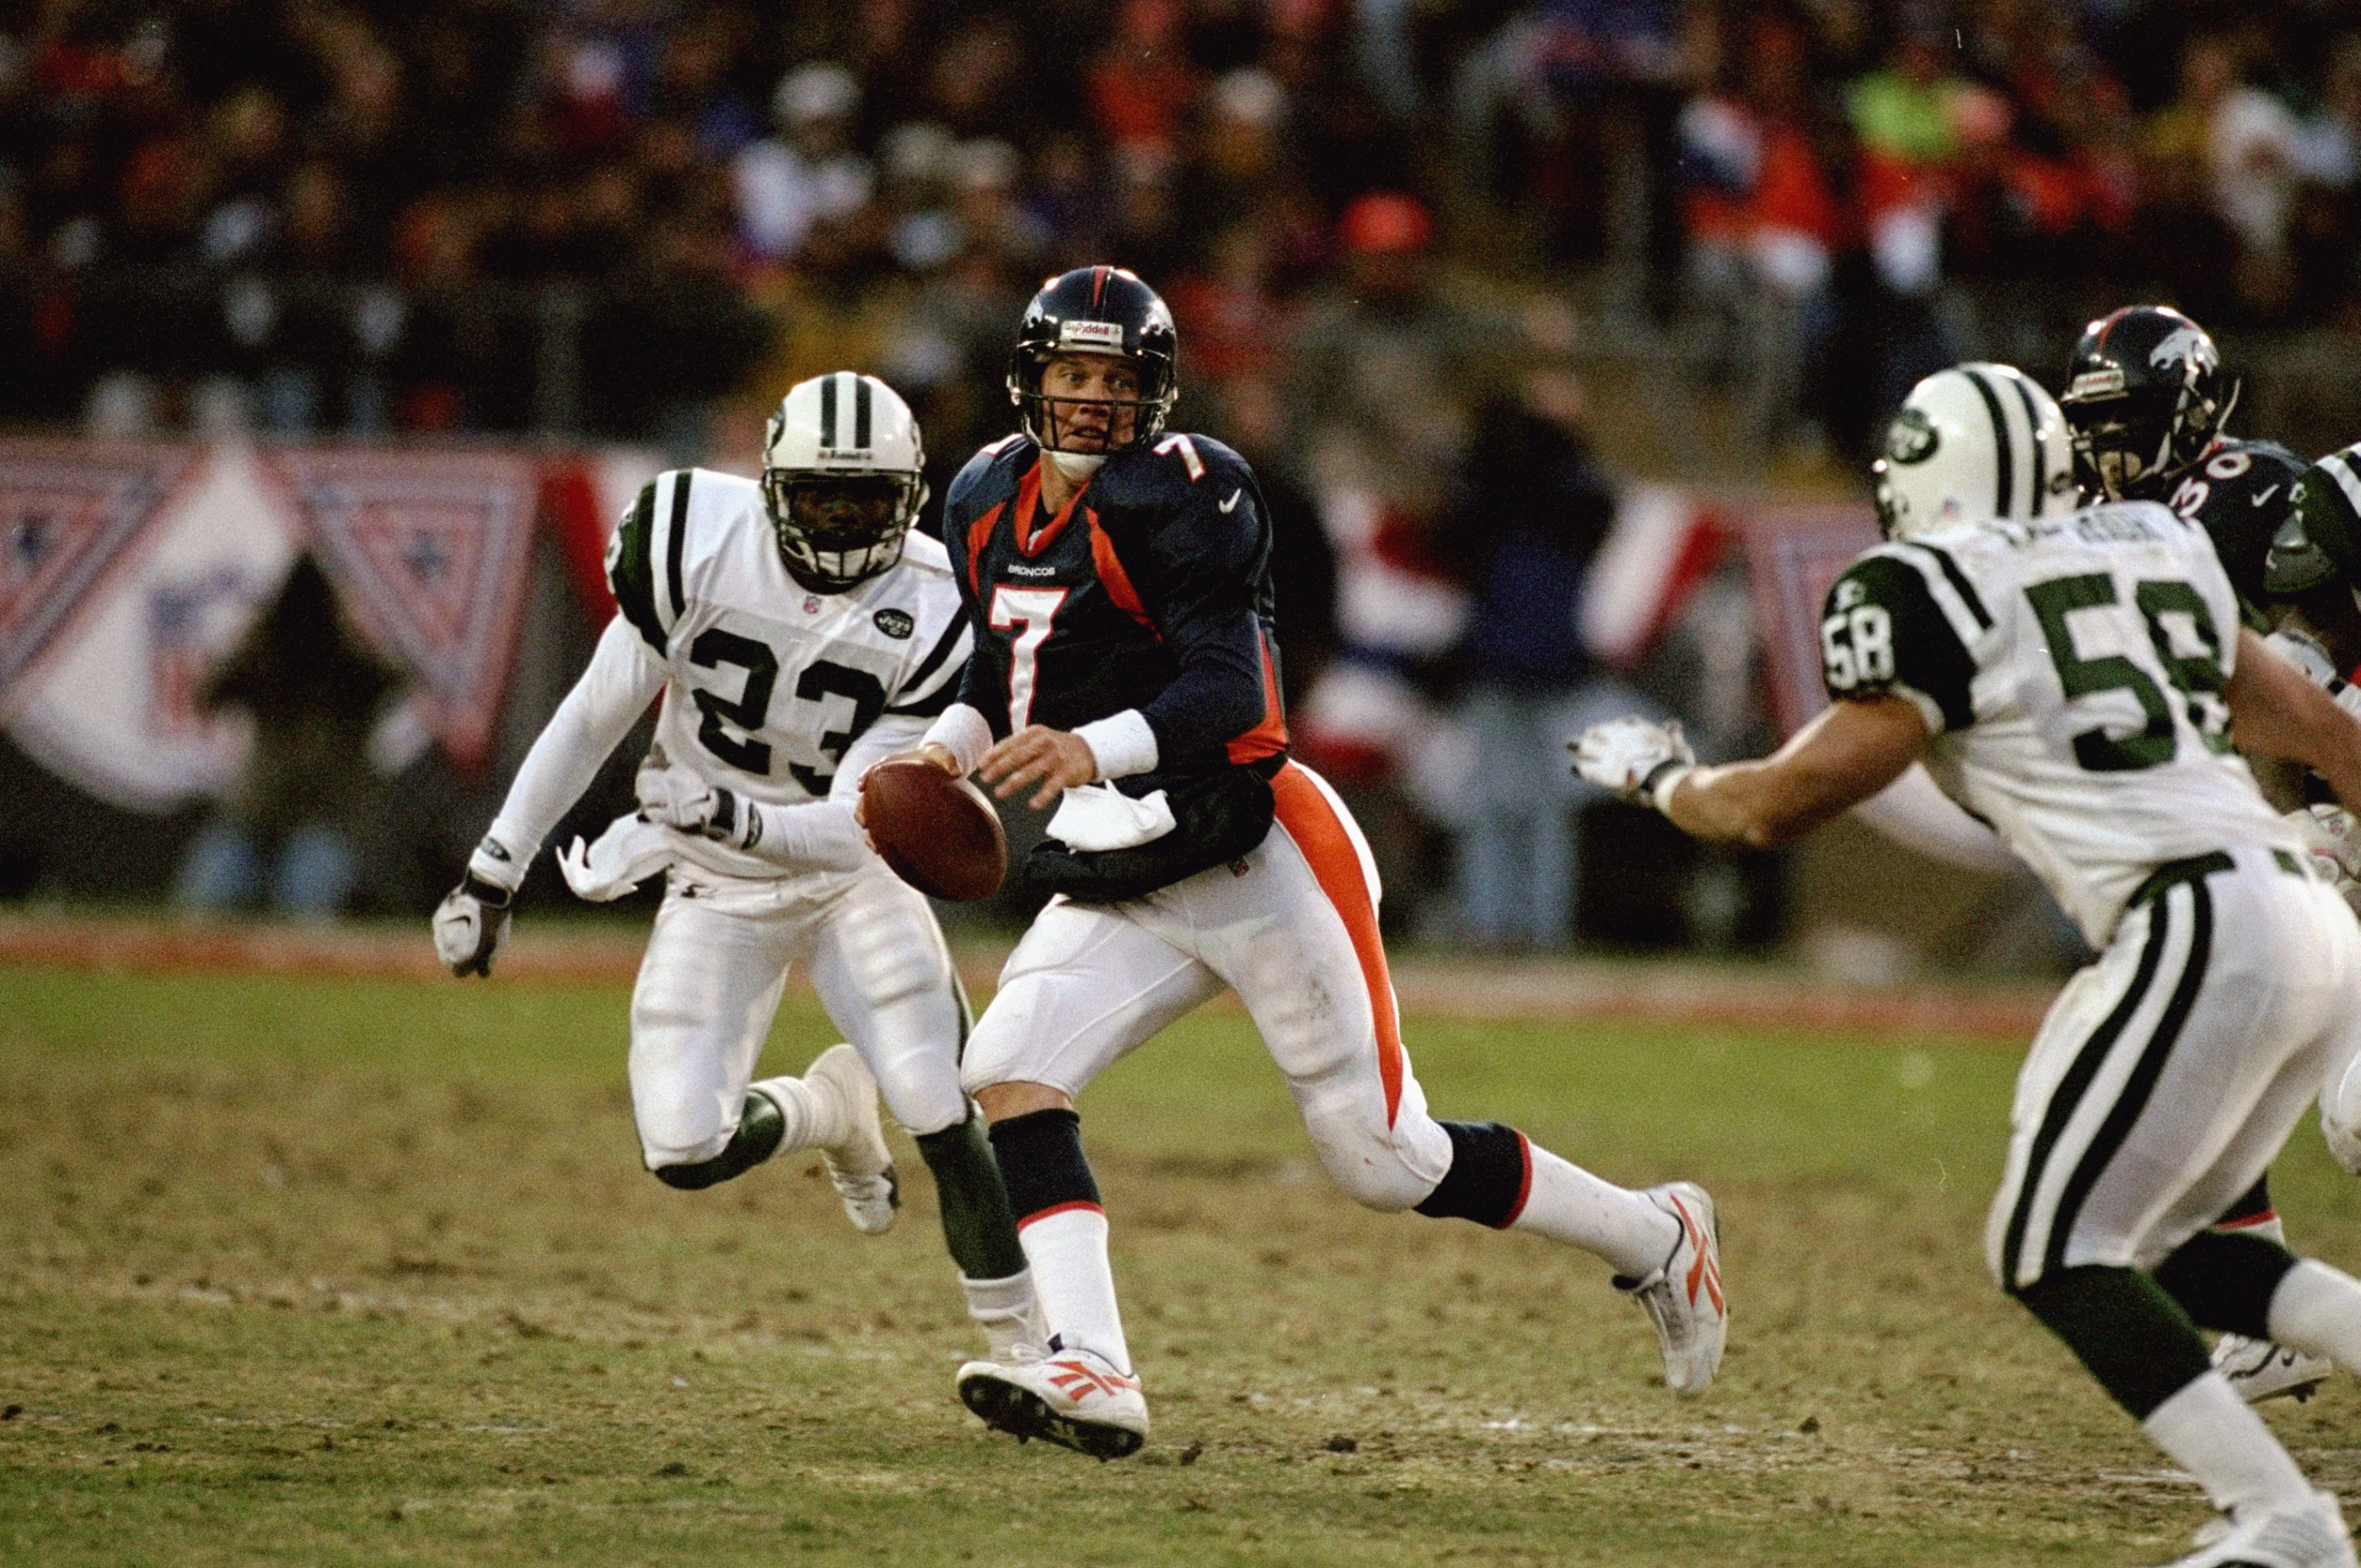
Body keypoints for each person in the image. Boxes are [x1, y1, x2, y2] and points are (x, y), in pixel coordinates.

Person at [882, 266, 1725, 1460]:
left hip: (1253, 846)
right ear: (1030, 377)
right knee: (1010, 1067)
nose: (1088, 401)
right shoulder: (979, 492)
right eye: (1070, 374)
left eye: (1114, 379)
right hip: (1123, 860)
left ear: (1154, 392)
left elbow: (1241, 700)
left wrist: (1088, 746)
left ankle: (1655, 1236)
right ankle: (1093, 1367)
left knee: (1385, 1159)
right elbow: (996, 679)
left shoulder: (1188, 492)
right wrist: (939, 755)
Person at [1574, 364, 2361, 1568]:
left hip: (2196, 923)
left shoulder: (1932, 588)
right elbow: (2326, 740)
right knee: (2175, 1246)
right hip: (2307, 916)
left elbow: (1785, 804)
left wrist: (1662, 779)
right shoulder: (2155, 542)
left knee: (2049, 1249)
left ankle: (2283, 1520)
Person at [430, 372, 1041, 1365]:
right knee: (681, 1148)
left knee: (940, 1103)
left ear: (912, 500)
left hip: (851, 881)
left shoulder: (939, 609)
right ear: (768, 484)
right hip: (716, 884)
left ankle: (1032, 1355)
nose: (841, 523)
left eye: (866, 502)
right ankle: (826, 1110)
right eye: (819, 497)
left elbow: (853, 826)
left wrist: (720, 813)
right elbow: (593, 714)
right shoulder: (690, 538)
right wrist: (495, 868)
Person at [2063, 304, 2355, 1403]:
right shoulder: (2116, 523)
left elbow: (2302, 671)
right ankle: (2271, 1306)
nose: (2106, 446)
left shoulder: (2250, 492)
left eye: (2126, 419)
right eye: (2094, 424)